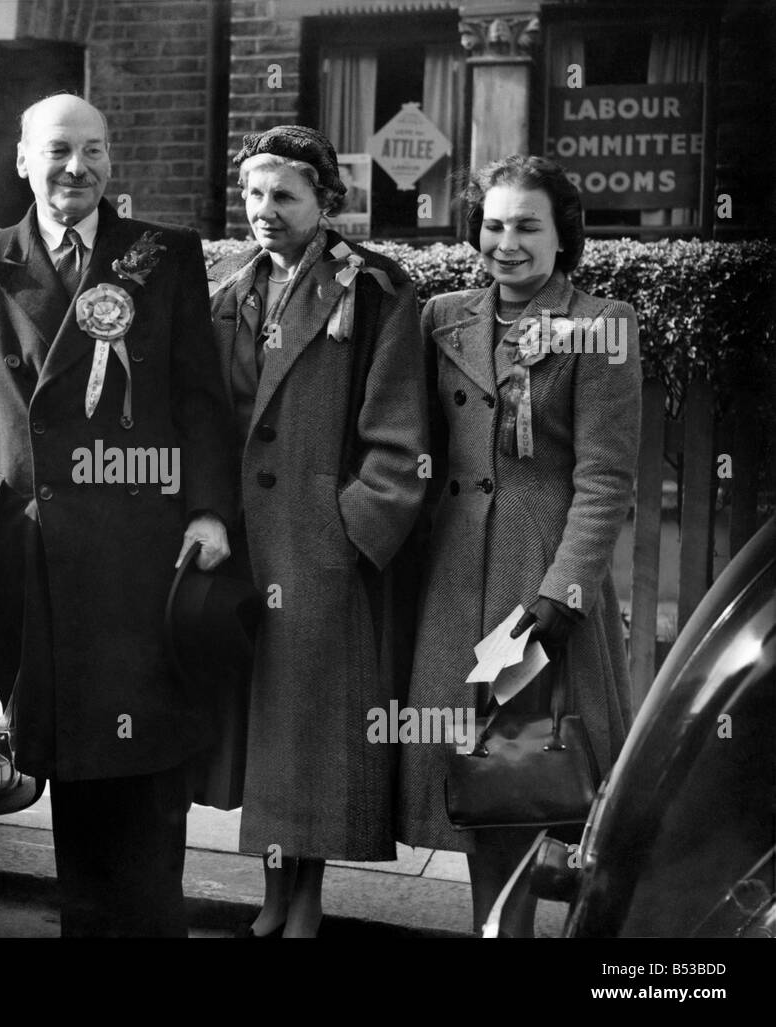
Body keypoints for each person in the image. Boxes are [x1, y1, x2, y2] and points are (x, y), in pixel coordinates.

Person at [0, 92, 237, 937]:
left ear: (111, 162)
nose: (76, 168)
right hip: (33, 554)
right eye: (58, 150)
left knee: (147, 764)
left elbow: (200, 398)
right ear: (22, 160)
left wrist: (209, 512)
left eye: (93, 151)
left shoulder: (163, 257)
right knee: (72, 764)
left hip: (141, 554)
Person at [398, 154, 641, 936]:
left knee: (540, 777)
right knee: (476, 784)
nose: (507, 242)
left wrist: (561, 593)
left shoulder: (601, 324)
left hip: (539, 590)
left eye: (528, 226)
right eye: (494, 224)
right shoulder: (442, 316)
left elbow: (605, 479)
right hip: (453, 583)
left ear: (563, 235)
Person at [207, 126, 428, 938]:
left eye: (285, 196)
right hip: (246, 541)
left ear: (327, 201)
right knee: (267, 729)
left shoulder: (371, 288)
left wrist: (352, 527)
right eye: (255, 195)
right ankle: (273, 896)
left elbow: (399, 432)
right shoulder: (232, 286)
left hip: (320, 544)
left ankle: (307, 902)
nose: (265, 211)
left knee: (314, 727)